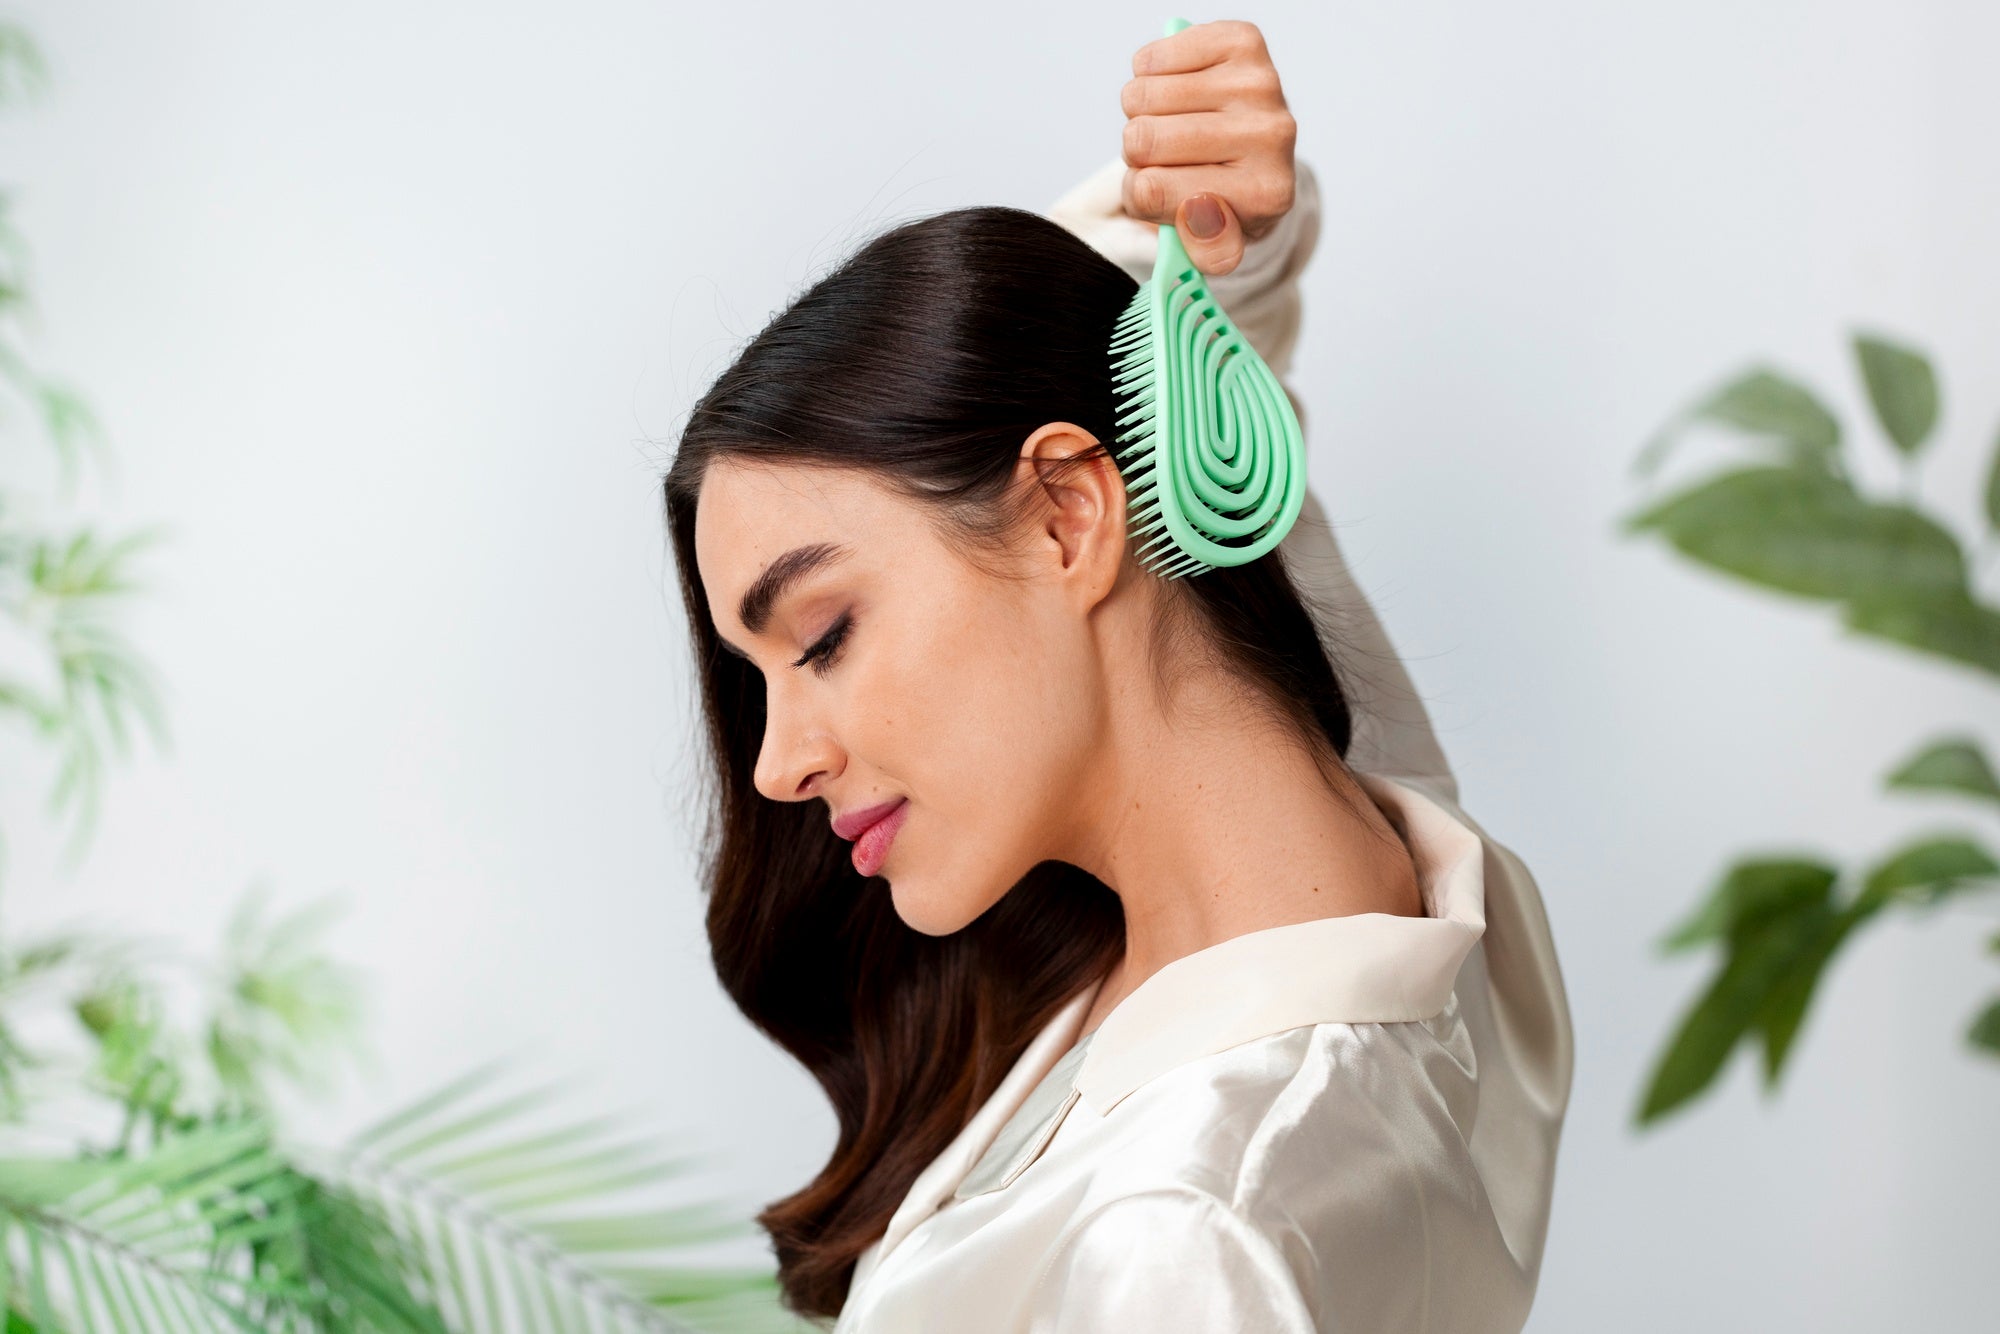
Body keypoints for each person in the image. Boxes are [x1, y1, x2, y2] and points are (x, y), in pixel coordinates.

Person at [661, 19, 1573, 1332]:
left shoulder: (1185, 1237)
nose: (776, 763)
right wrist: (1213, 210)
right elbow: (1151, 358)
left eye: (821, 638)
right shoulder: (1385, 855)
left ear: (1067, 519)